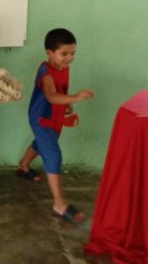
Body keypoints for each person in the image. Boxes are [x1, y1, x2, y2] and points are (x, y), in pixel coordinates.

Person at [16, 28, 94, 222]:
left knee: (42, 142)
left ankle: (24, 165)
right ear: (49, 53)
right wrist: (75, 97)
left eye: (73, 53)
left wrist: (68, 105)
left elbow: (62, 89)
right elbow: (51, 96)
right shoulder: (46, 73)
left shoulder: (63, 67)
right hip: (41, 118)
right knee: (53, 154)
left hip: (56, 115)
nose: (69, 58)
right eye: (64, 54)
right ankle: (59, 203)